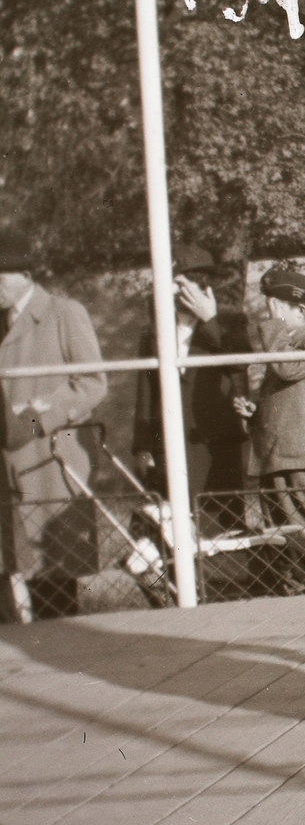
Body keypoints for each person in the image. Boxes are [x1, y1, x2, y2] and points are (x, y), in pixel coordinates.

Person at [0, 230, 107, 621]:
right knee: (11, 570)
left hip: (47, 462)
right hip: (8, 469)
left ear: (25, 274)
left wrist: (30, 421)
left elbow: (92, 383)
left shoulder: (64, 313)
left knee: (53, 578)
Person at [131, 245, 252, 533]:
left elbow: (240, 363)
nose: (176, 292)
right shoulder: (155, 329)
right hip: (170, 442)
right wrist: (142, 446)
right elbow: (146, 390)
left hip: (215, 445)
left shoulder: (230, 322)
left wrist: (211, 320)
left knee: (220, 529)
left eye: (183, 284)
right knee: (168, 529)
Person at [235, 265, 305, 595]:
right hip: (273, 456)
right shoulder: (281, 343)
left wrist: (274, 325)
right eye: (269, 307)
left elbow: (286, 368)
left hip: (301, 457)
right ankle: (294, 599)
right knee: (281, 541)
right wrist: (255, 412)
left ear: (301, 310)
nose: (271, 316)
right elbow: (285, 397)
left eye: (278, 308)